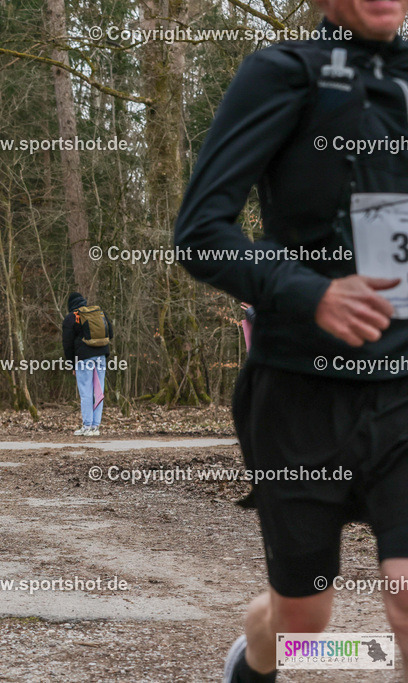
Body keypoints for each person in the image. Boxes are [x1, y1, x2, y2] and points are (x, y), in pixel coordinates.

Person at [174, 2, 408, 679]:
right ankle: (254, 655)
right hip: (298, 394)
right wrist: (313, 293)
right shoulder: (282, 73)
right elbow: (200, 231)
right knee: (307, 621)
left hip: (401, 388)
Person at [61, 292, 113, 436]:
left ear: (70, 305)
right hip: (101, 355)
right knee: (99, 391)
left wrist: (72, 364)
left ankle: (87, 425)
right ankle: (95, 427)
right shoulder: (98, 313)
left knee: (86, 392)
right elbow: (111, 333)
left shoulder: (71, 318)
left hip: (84, 358)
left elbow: (67, 345)